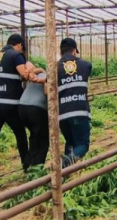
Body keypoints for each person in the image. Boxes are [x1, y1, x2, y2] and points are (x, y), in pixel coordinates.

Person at [0, 34, 32, 183]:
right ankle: (27, 167)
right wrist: (30, 68)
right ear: (19, 45)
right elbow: (24, 74)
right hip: (10, 103)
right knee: (20, 134)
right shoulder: (15, 55)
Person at [57, 38, 92, 168]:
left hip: (62, 115)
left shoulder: (54, 67)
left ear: (61, 52)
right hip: (79, 112)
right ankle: (63, 166)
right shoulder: (85, 65)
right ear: (74, 51)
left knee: (70, 142)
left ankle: (66, 175)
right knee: (82, 144)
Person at [18, 67, 49, 170]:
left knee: (34, 136)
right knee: (43, 141)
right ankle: (37, 170)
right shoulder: (49, 78)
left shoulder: (39, 75)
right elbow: (47, 92)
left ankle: (27, 164)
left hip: (22, 107)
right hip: (36, 109)